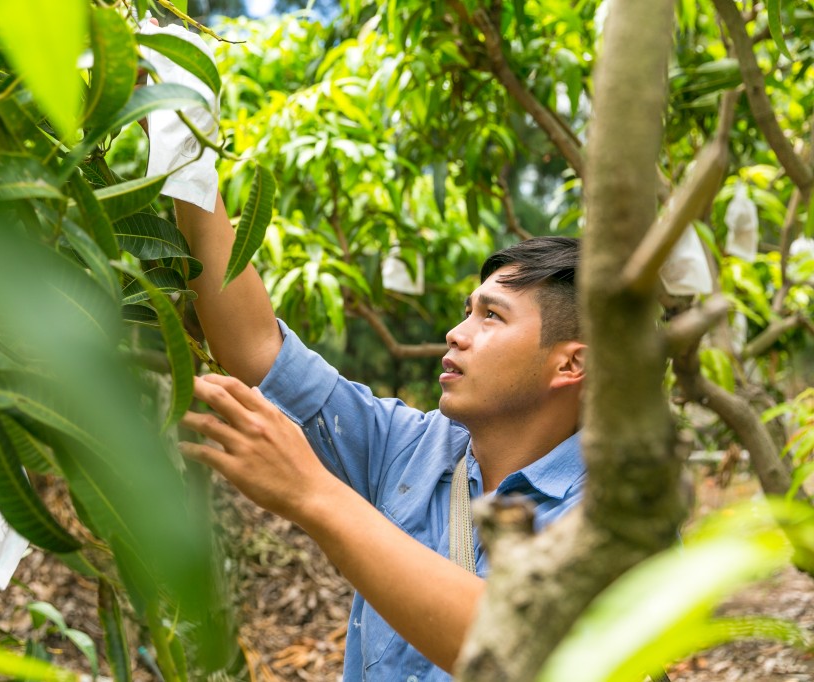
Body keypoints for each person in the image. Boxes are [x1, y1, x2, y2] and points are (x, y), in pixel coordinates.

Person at [174, 196, 587, 680]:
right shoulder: (408, 448)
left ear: (569, 364)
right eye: (467, 311)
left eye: (492, 316)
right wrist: (185, 151)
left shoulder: (620, 520)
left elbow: (514, 647)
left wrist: (313, 494)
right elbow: (256, 346)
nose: (456, 333)